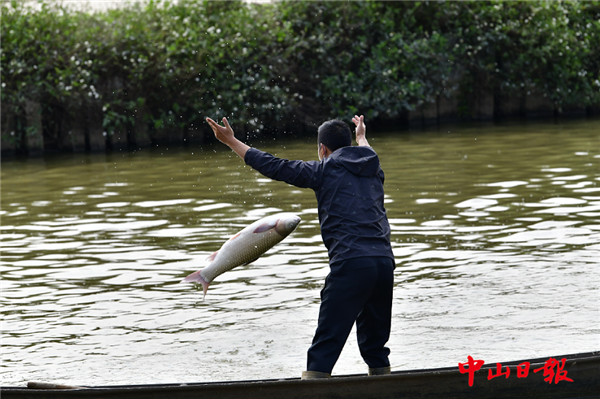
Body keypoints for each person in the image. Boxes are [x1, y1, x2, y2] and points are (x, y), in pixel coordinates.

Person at [205, 115, 395, 379]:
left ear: (322, 150)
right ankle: (388, 387)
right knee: (375, 345)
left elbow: (275, 166)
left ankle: (312, 389)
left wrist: (231, 141)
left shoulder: (325, 169)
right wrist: (361, 136)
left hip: (352, 264)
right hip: (385, 264)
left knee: (326, 344)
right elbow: (367, 152)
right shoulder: (373, 167)